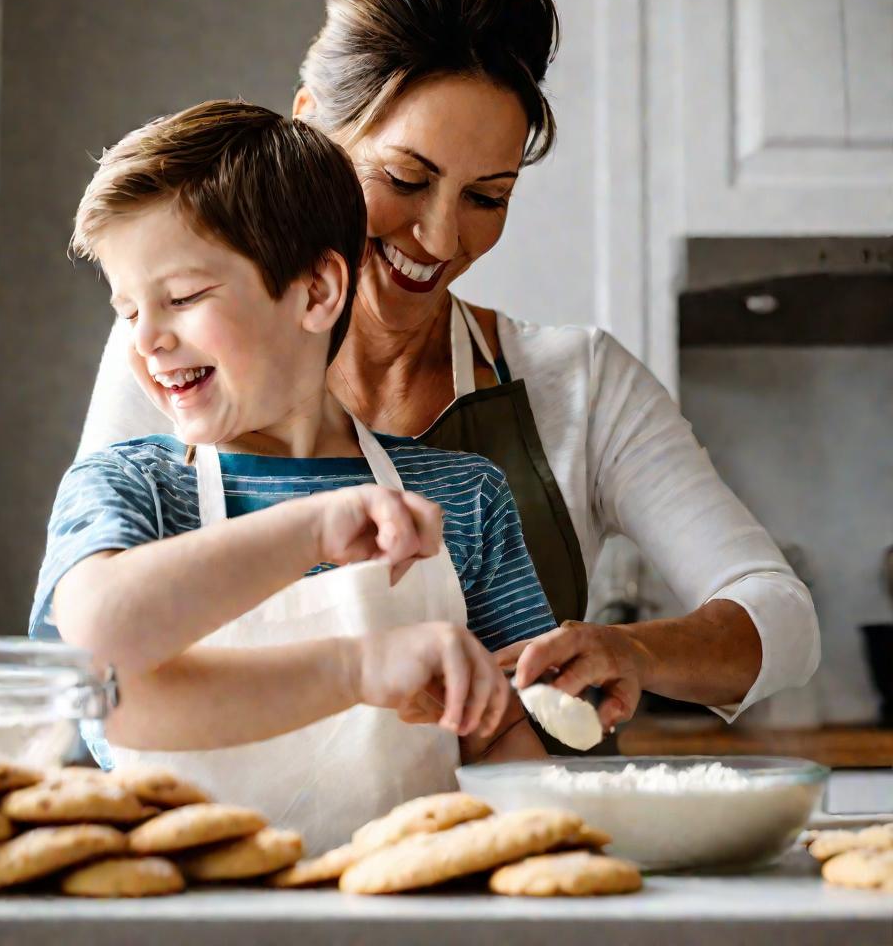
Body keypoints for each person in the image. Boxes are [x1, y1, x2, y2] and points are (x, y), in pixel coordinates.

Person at [78, 0, 820, 736]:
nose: (439, 237)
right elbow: (95, 663)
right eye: (404, 178)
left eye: (486, 197)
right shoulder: (182, 362)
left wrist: (633, 652)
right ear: (312, 134)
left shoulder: (574, 388)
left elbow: (781, 617)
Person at [29, 99, 555, 851]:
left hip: (407, 919)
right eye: (127, 309)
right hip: (181, 918)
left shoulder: (460, 499)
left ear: (316, 293)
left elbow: (502, 736)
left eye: (180, 297)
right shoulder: (129, 490)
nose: (146, 338)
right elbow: (105, 667)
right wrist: (353, 652)